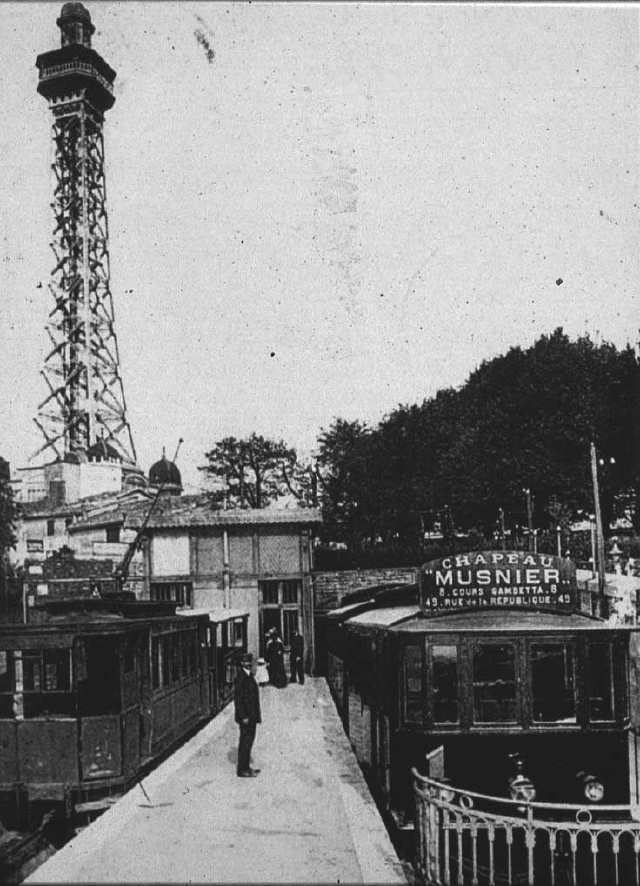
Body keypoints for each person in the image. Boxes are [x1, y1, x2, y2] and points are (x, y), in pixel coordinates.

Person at [234, 652, 261, 777]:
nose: (249, 664)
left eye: (250, 662)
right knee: (245, 742)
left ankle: (246, 767)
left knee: (248, 741)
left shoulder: (248, 675)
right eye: (247, 662)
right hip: (246, 717)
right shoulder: (241, 677)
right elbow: (238, 699)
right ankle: (242, 769)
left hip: (251, 715)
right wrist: (243, 716)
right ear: (242, 663)